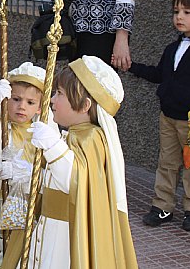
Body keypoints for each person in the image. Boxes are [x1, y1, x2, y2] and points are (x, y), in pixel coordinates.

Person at [126, 0, 190, 231]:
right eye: (176, 11)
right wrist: (131, 67)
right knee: (167, 163)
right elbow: (160, 74)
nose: (179, 17)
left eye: (187, 12)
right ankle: (162, 207)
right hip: (168, 117)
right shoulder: (173, 48)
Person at [28, 56, 137, 268]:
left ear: (85, 105)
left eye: (59, 94)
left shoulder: (92, 138)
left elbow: (75, 179)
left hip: (67, 237)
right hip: (51, 229)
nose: (51, 100)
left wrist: (52, 146)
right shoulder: (73, 135)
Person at [0, 62, 59, 267]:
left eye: (31, 102)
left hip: (25, 206)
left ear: (40, 107)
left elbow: (49, 169)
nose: (22, 106)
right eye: (16, 99)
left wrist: (27, 174)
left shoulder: (40, 134)